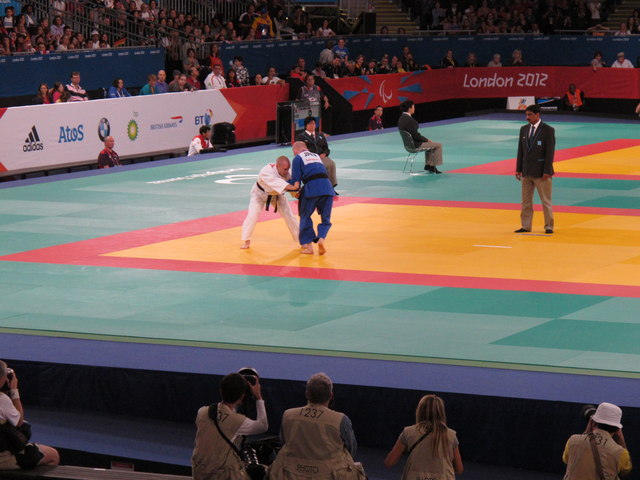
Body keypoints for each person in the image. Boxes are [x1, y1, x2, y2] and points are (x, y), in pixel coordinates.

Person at [268, 373, 366, 479]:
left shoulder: (288, 415)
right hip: (329, 475)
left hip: (290, 473)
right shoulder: (340, 420)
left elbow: (284, 442)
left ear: (307, 394)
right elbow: (351, 449)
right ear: (331, 395)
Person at [191, 373, 268, 480]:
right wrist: (258, 397)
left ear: (221, 391)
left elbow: (221, 418)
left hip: (198, 473)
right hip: (220, 476)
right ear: (242, 396)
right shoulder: (238, 422)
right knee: (262, 470)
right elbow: (263, 426)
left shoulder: (202, 412)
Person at [384, 394, 463, 480]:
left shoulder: (408, 432)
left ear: (420, 410)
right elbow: (459, 469)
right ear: (441, 412)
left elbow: (389, 462)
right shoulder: (451, 435)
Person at [0, 360, 60, 470]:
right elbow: (19, 422)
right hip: (2, 459)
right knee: (53, 455)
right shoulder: (2, 400)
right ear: (3, 380)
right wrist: (14, 390)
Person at [240, 156, 300, 249]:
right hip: (259, 194)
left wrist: (296, 194)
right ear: (277, 166)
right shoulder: (266, 172)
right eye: (285, 169)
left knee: (289, 216)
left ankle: (300, 239)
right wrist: (295, 187)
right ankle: (246, 240)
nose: (287, 171)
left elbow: (292, 189)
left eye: (288, 169)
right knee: (253, 215)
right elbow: (288, 187)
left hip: (277, 195)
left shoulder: (288, 172)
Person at [562, 402, 631, 480]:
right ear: (617, 429)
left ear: (593, 422)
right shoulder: (619, 452)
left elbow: (567, 459)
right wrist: (621, 440)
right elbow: (625, 469)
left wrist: (586, 433)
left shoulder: (573, 441)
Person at [289, 142, 336, 255]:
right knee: (326, 219)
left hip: (312, 189)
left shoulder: (297, 159)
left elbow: (296, 184)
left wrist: (281, 184)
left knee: (305, 216)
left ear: (295, 151)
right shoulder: (316, 156)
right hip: (327, 188)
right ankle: (321, 239)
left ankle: (309, 247)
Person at [515, 104, 555, 234]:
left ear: (538, 115)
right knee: (525, 202)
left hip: (541, 172)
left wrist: (547, 171)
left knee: (545, 201)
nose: (527, 117)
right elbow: (520, 151)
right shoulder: (524, 129)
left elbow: (550, 152)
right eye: (526, 115)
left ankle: (548, 226)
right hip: (526, 172)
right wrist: (518, 169)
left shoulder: (548, 130)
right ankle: (526, 226)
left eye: (530, 115)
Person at [398, 100, 444, 174]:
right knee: (438, 145)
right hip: (415, 145)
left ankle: (428, 165)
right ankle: (432, 166)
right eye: (413, 107)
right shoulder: (409, 120)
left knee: (430, 146)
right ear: (409, 109)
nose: (414, 108)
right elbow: (415, 135)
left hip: (408, 145)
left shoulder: (401, 118)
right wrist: (426, 140)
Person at [295, 117, 338, 190]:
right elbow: (298, 149)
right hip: (310, 159)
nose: (313, 125)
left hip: (321, 157)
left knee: (331, 164)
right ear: (306, 126)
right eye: (310, 123)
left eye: (314, 123)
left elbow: (326, 148)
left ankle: (330, 187)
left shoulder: (320, 135)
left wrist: (324, 154)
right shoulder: (300, 137)